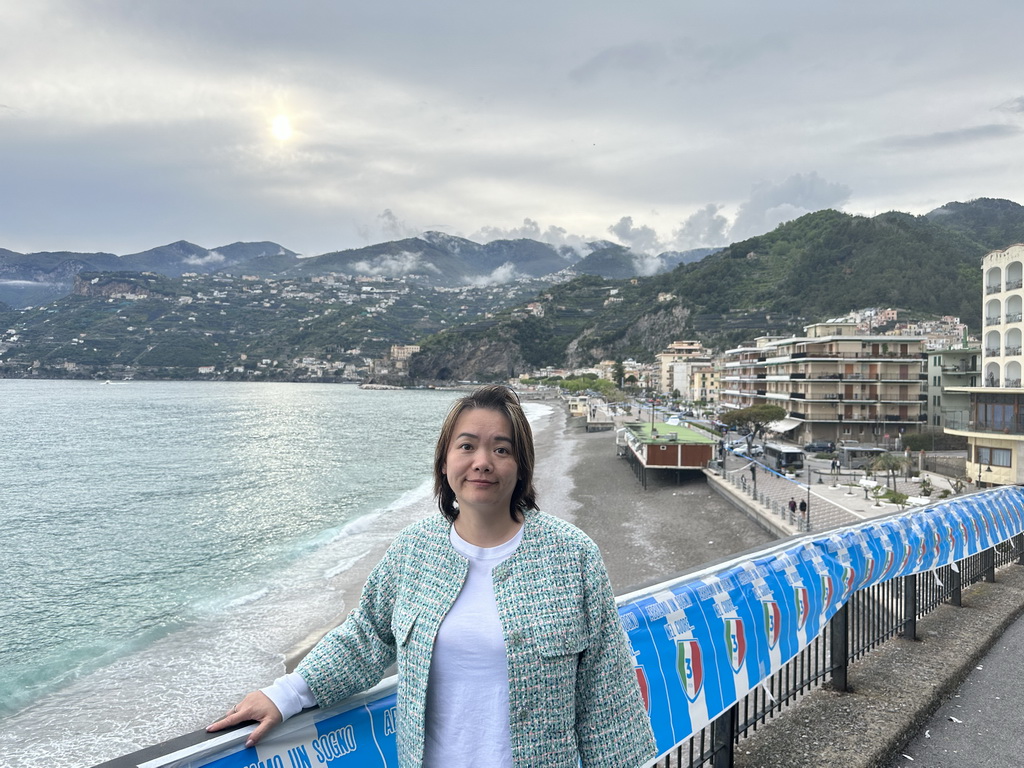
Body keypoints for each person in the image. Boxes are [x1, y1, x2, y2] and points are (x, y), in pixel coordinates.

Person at [208, 385, 656, 768]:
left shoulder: (572, 556)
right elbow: (366, 636)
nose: (482, 461)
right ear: (444, 462)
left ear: (521, 467)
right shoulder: (414, 550)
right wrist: (283, 696)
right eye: (467, 446)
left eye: (501, 449)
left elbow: (607, 695)